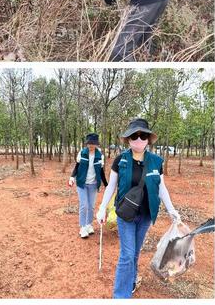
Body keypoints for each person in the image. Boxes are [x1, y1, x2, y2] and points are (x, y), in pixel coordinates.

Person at [96, 118, 180, 298]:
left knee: (134, 253)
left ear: (148, 139)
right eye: (135, 136)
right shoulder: (121, 160)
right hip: (126, 215)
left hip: (145, 215)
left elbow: (161, 187)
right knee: (126, 255)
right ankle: (120, 296)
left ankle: (132, 281)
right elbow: (111, 186)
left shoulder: (156, 161)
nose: (139, 140)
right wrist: (102, 208)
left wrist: (171, 209)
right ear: (128, 139)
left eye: (143, 136)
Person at [69, 133, 108, 238]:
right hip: (82, 183)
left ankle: (89, 224)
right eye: (89, 143)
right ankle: (82, 227)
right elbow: (77, 167)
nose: (91, 145)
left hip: (93, 184)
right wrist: (72, 177)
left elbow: (101, 171)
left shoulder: (100, 155)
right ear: (87, 144)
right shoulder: (82, 153)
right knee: (84, 205)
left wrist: (106, 184)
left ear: (97, 144)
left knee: (91, 206)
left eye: (93, 143)